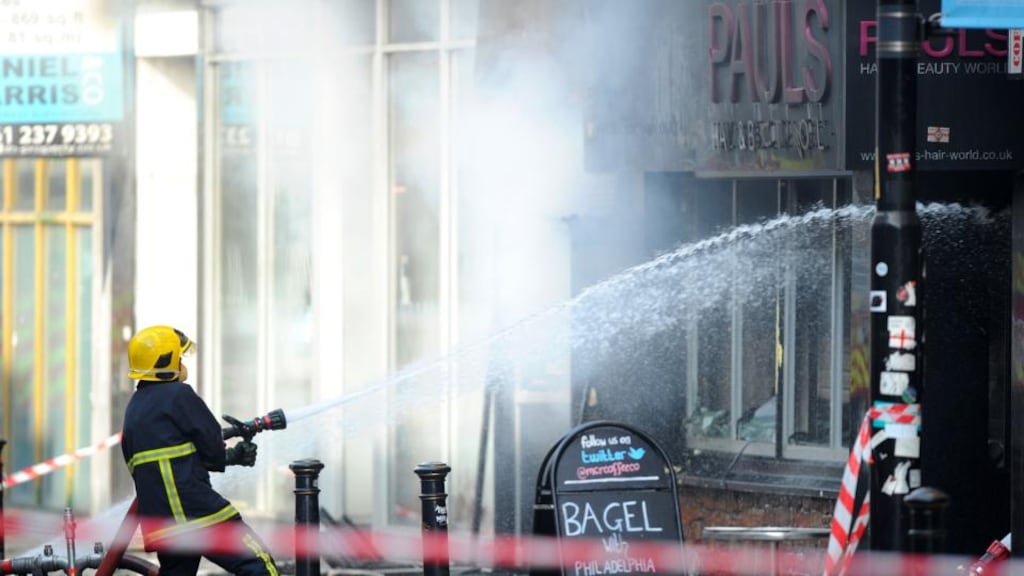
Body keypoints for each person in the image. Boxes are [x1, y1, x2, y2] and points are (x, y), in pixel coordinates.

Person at [121, 325, 279, 576]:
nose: (182, 362)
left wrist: (226, 455)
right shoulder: (178, 394)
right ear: (167, 360)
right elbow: (212, 447)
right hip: (196, 513)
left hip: (163, 526)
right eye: (179, 356)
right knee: (259, 564)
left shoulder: (133, 411)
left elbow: (168, 460)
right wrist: (235, 455)